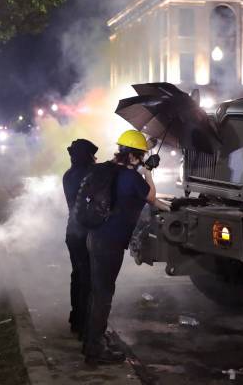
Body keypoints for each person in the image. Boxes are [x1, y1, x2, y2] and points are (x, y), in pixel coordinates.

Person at [83, 130, 166, 365]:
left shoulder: (110, 169)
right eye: (139, 156)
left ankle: (92, 340)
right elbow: (150, 196)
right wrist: (148, 171)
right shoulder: (131, 178)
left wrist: (142, 159)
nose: (141, 160)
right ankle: (95, 351)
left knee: (97, 291)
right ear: (132, 157)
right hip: (110, 244)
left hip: (95, 237)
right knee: (103, 296)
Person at [63, 139, 98, 338]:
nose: (95, 159)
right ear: (87, 157)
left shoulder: (69, 175)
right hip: (85, 233)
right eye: (92, 155)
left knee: (77, 275)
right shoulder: (88, 175)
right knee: (88, 279)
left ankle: (76, 318)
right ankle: (85, 325)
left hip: (72, 233)